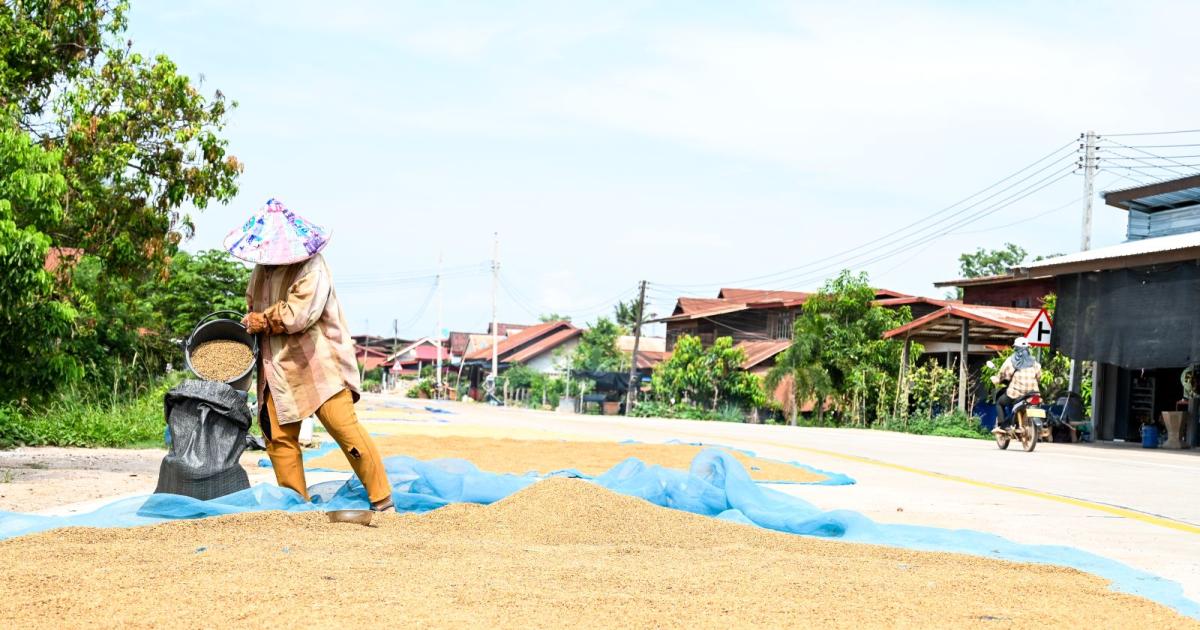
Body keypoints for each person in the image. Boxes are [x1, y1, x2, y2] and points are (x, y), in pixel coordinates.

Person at [224, 198, 394, 511]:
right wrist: (251, 319)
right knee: (278, 438)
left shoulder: (312, 267)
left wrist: (264, 320)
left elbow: (299, 314)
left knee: (345, 430)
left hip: (319, 365)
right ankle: (296, 506)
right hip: (277, 367)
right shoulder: (262, 270)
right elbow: (252, 304)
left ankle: (382, 501)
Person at [990, 337, 1042, 435]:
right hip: (1032, 393)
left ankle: (1003, 426)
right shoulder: (1034, 362)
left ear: (1016, 348)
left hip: (1016, 393)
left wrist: (996, 380)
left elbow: (1002, 374)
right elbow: (1039, 376)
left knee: (999, 402)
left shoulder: (1011, 361)